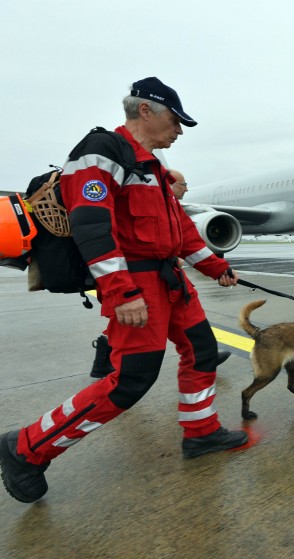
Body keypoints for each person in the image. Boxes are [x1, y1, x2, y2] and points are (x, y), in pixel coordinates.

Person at [0, 77, 247, 504]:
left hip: (171, 281)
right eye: (176, 119)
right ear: (145, 110)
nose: (180, 131)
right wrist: (120, 292)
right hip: (136, 283)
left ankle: (201, 432)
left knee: (203, 351)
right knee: (128, 382)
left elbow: (182, 232)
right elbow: (91, 227)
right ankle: (26, 447)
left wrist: (216, 267)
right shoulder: (100, 153)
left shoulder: (151, 167)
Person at [88, 167, 230, 378]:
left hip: (169, 276)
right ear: (171, 185)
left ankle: (203, 354)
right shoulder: (145, 194)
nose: (186, 189)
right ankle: (109, 366)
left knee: (185, 320)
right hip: (141, 277)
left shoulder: (169, 202)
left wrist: (217, 268)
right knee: (134, 351)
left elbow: (187, 238)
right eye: (183, 185)